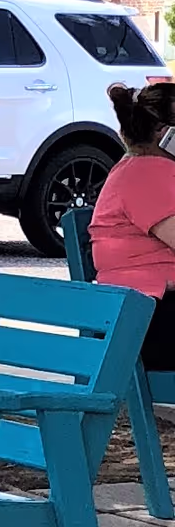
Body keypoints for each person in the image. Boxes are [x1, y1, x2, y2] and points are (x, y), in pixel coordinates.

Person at [88, 78, 175, 369]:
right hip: (145, 323)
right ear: (166, 135)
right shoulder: (147, 173)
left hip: (138, 319)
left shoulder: (139, 169)